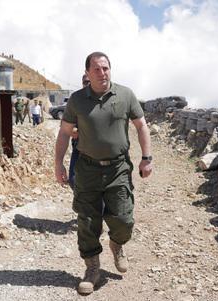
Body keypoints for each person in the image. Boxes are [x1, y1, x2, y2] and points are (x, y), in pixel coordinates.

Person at [54, 51, 153, 295]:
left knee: (124, 219)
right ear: (87, 73)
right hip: (87, 169)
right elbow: (65, 132)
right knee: (87, 221)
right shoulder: (77, 100)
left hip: (118, 168)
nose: (102, 73)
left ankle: (117, 244)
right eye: (96, 69)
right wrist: (58, 163)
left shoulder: (125, 95)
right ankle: (92, 268)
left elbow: (141, 126)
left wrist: (146, 158)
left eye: (106, 68)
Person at [68, 74, 90, 187]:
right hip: (78, 147)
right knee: (73, 180)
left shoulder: (103, 100)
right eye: (85, 82)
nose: (88, 84)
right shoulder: (76, 100)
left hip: (96, 150)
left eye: (90, 82)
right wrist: (73, 129)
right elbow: (66, 125)